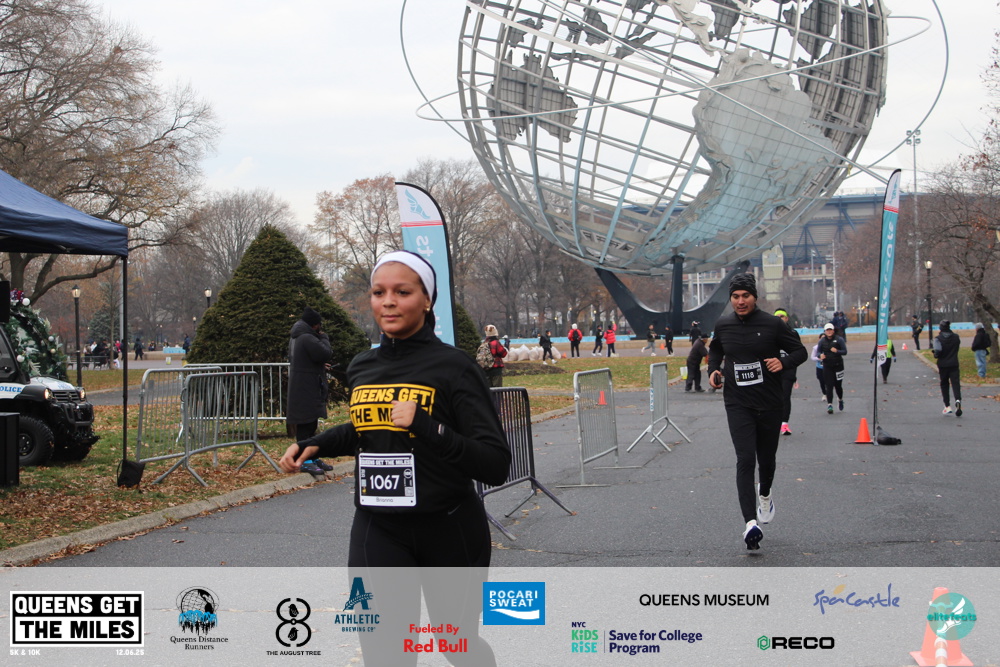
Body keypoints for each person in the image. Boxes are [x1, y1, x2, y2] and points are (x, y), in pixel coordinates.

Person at [278, 250, 510, 667]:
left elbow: (494, 463)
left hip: (449, 528)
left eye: (402, 292)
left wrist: (426, 426)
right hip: (378, 529)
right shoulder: (362, 366)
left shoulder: (454, 367)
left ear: (426, 300)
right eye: (378, 292)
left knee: (457, 647)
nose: (388, 301)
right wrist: (317, 442)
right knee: (385, 653)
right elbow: (366, 428)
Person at [707, 273, 806, 550]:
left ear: (755, 297)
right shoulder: (723, 325)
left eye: (745, 296)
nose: (740, 301)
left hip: (770, 403)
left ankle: (765, 494)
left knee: (766, 459)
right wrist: (713, 370)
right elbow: (715, 350)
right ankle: (750, 524)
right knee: (745, 458)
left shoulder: (773, 324)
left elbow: (800, 352)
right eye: (735, 296)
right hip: (738, 403)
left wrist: (783, 363)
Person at [286, 306, 333, 475]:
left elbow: (304, 358)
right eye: (319, 325)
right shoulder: (307, 337)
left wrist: (318, 366)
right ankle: (304, 460)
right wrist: (324, 338)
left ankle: (312, 457)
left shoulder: (297, 337)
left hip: (303, 384)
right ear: (315, 324)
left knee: (311, 423)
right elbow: (325, 353)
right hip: (306, 386)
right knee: (306, 424)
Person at [774, 308, 801, 436]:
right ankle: (773, 422)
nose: (779, 319)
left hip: (788, 369)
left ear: (786, 318)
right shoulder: (769, 333)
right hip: (773, 370)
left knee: (785, 396)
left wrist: (794, 373)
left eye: (782, 316)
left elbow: (799, 353)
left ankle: (784, 423)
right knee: (773, 397)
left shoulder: (793, 333)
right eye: (777, 317)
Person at [933, 320, 963, 416]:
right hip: (954, 363)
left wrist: (935, 354)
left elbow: (938, 351)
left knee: (944, 384)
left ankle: (947, 405)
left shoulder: (938, 339)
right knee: (955, 383)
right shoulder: (956, 337)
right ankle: (958, 400)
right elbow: (957, 347)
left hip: (943, 364)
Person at [818, 323, 847, 414]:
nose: (829, 332)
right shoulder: (822, 341)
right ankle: (829, 405)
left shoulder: (839, 339)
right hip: (827, 366)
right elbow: (818, 352)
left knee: (838, 386)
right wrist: (820, 355)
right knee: (829, 385)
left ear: (833, 330)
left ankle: (840, 399)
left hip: (838, 365)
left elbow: (845, 351)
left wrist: (837, 351)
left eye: (830, 330)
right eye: (827, 330)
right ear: (825, 331)